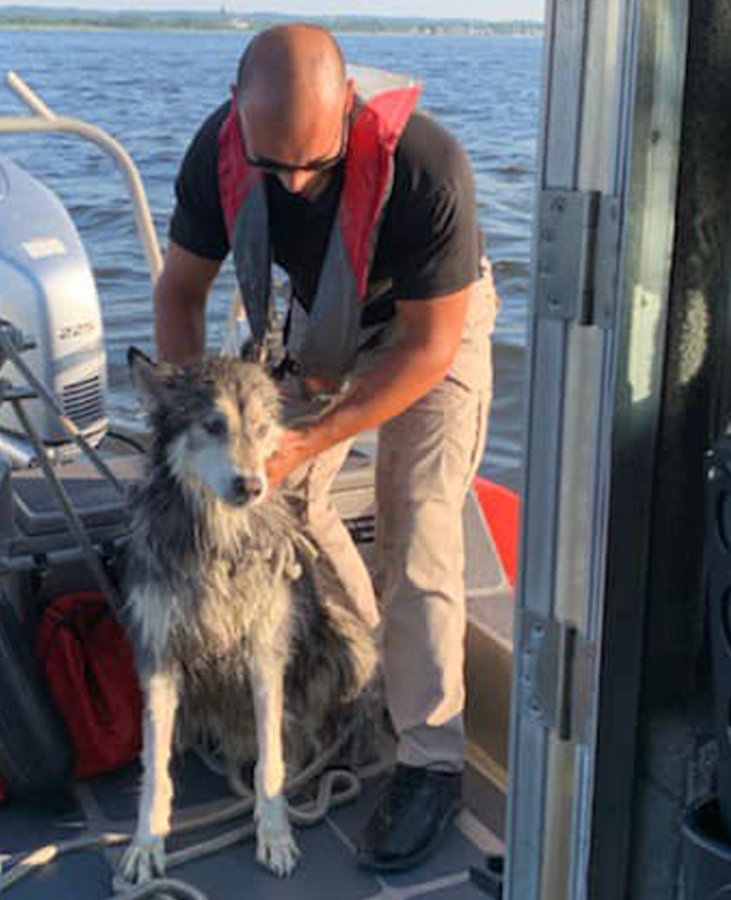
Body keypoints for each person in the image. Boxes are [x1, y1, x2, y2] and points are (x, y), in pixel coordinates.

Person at [151, 23, 497, 871]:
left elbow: (427, 349)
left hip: (430, 329)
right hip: (324, 321)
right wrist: (187, 416)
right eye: (276, 168)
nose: (298, 183)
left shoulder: (428, 167)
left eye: (319, 163)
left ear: (348, 107)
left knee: (417, 525)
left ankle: (430, 758)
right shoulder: (216, 153)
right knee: (290, 504)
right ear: (237, 118)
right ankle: (371, 666)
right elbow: (181, 291)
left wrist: (310, 435)